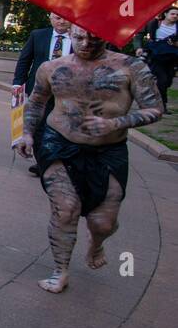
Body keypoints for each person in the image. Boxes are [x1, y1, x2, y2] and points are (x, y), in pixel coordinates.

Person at [14, 26, 163, 293]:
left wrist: (116, 123)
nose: (84, 44)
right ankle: (60, 270)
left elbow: (155, 109)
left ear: (105, 36)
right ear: (70, 33)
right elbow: (36, 101)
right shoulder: (52, 67)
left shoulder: (131, 67)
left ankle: (96, 244)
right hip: (57, 143)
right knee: (65, 210)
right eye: (78, 37)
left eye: (93, 38)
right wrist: (25, 133)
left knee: (102, 223)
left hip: (109, 151)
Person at [12, 12, 75, 173]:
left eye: (64, 18)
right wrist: (18, 83)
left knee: (61, 125)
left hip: (67, 91)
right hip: (39, 89)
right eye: (57, 18)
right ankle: (43, 162)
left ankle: (59, 159)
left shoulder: (79, 38)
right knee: (39, 125)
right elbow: (25, 60)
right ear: (50, 18)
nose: (61, 21)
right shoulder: (38, 35)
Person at [135, 7, 178, 111]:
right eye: (172, 14)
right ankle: (162, 105)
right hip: (156, 56)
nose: (175, 16)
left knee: (168, 82)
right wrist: (138, 47)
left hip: (172, 58)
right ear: (166, 14)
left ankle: (152, 94)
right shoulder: (154, 23)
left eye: (177, 14)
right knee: (162, 80)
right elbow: (139, 34)